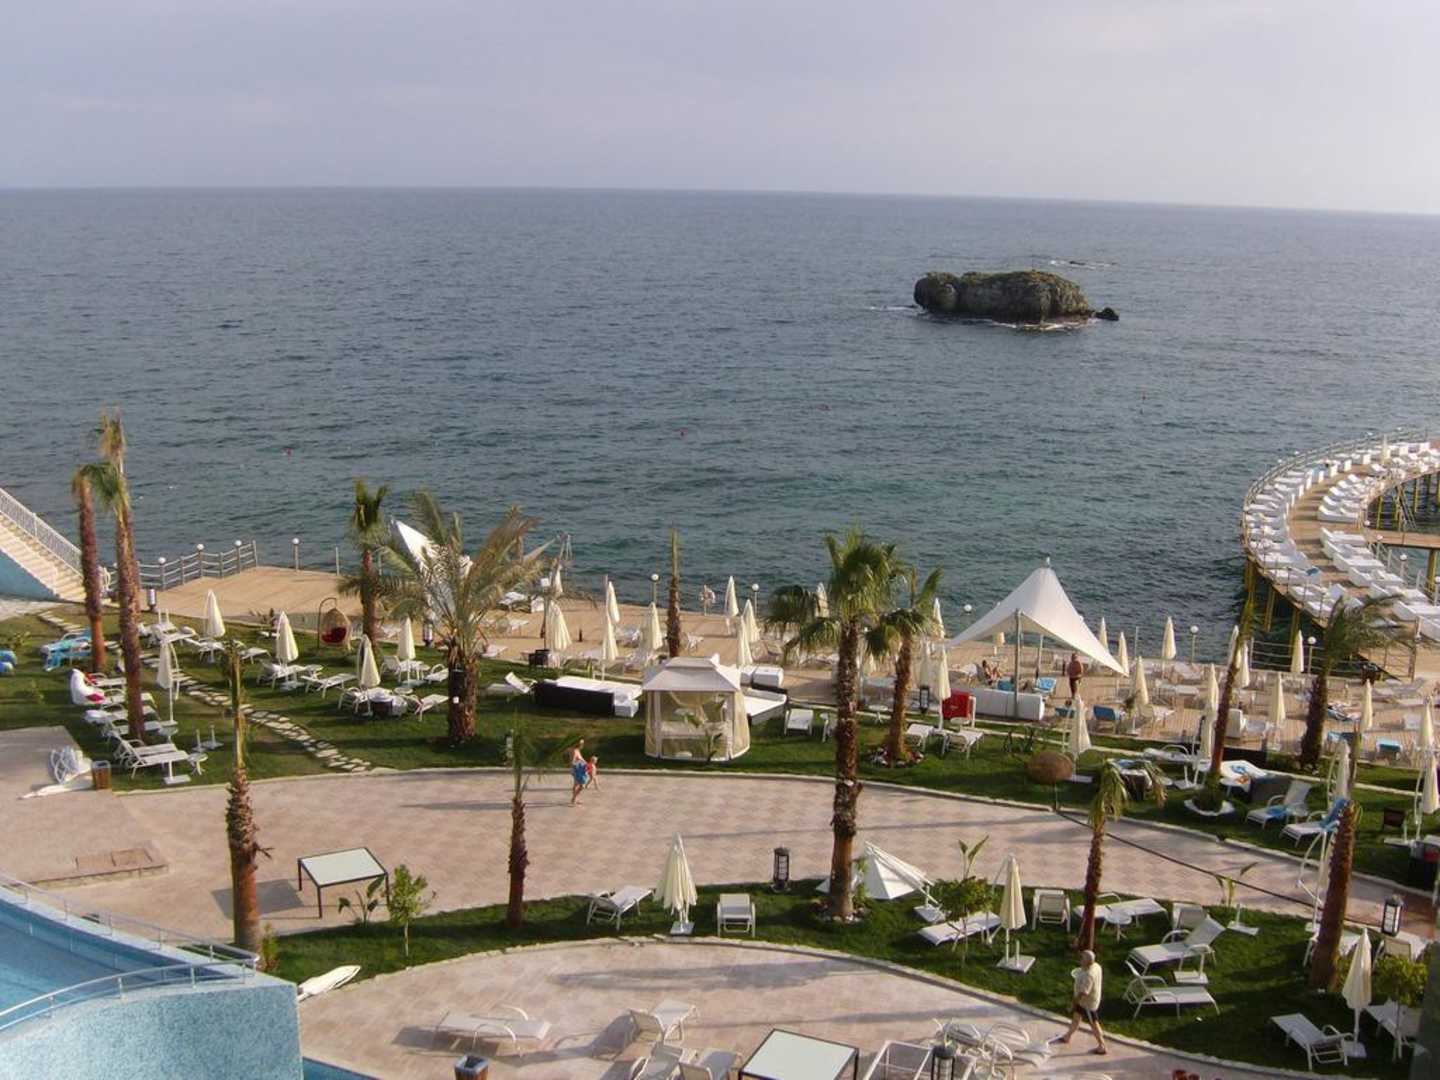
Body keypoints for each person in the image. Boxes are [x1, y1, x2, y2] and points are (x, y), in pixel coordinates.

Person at [1056, 949, 1107, 1054]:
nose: (1080, 959)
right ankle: (1067, 1036)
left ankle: (1102, 1045)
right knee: (1076, 1018)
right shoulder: (1097, 966)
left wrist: (1074, 1003)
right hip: (1084, 1002)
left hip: (1087, 1004)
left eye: (1082, 958)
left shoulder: (1089, 975)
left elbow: (1084, 992)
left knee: (1094, 1023)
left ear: (1087, 962)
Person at [569, 739, 587, 806]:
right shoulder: (574, 751)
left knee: (576, 784)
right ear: (579, 744)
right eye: (582, 744)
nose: (583, 745)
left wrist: (584, 764)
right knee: (582, 786)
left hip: (579, 770)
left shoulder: (576, 750)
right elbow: (573, 762)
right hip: (577, 770)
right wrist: (573, 769)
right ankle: (573, 799)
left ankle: (574, 799)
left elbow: (578, 760)